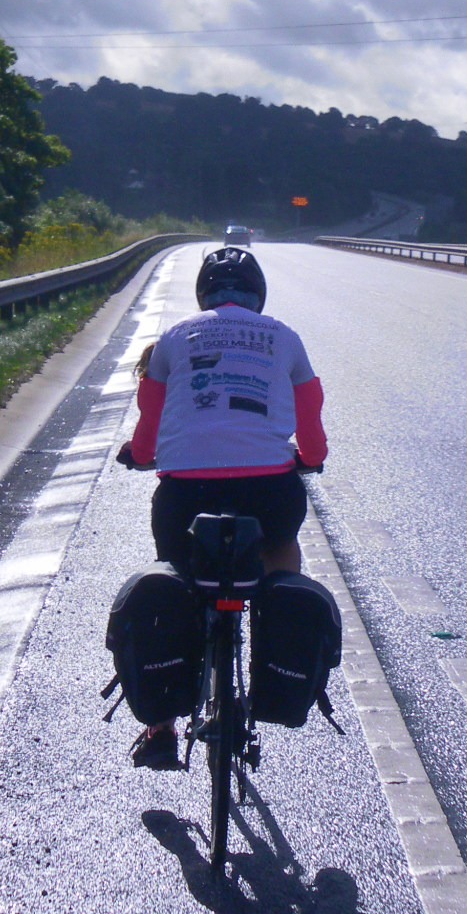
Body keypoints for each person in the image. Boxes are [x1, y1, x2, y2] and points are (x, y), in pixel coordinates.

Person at [115, 247, 327, 769]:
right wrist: (311, 458)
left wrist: (140, 457)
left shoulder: (174, 337)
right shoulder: (284, 336)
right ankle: (274, 661)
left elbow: (149, 425)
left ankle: (159, 725)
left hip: (186, 496)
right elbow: (311, 417)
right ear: (258, 295)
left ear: (202, 294)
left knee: (175, 577)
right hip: (270, 493)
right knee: (280, 552)